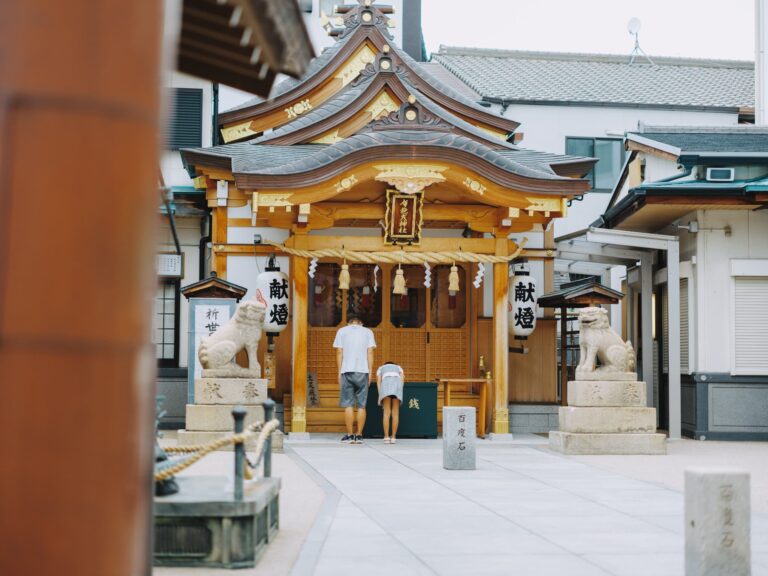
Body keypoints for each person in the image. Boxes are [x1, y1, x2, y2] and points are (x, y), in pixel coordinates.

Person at [333, 313, 376, 444]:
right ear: (361, 322)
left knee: (348, 404)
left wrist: (339, 371)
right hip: (363, 371)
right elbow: (370, 352)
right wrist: (370, 372)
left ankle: (350, 435)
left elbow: (339, 352)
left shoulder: (342, 331)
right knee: (362, 405)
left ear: (349, 322)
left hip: (346, 370)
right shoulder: (368, 332)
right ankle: (359, 435)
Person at [376, 361, 404, 444]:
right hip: (397, 386)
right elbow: (402, 380)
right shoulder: (398, 367)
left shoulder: (381, 368)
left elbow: (378, 381)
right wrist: (399, 391)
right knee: (395, 414)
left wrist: (380, 395)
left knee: (386, 413)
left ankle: (386, 437)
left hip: (386, 386)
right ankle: (394, 437)